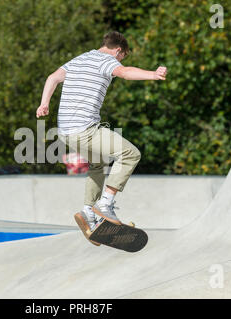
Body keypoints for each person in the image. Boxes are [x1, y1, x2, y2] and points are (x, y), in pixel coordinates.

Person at [36, 31, 167, 232]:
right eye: (122, 57)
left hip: (65, 132)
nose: (120, 62)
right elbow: (125, 73)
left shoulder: (79, 59)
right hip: (84, 130)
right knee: (131, 154)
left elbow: (52, 78)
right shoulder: (106, 60)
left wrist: (44, 103)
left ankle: (88, 211)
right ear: (118, 51)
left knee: (98, 162)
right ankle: (105, 204)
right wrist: (153, 75)